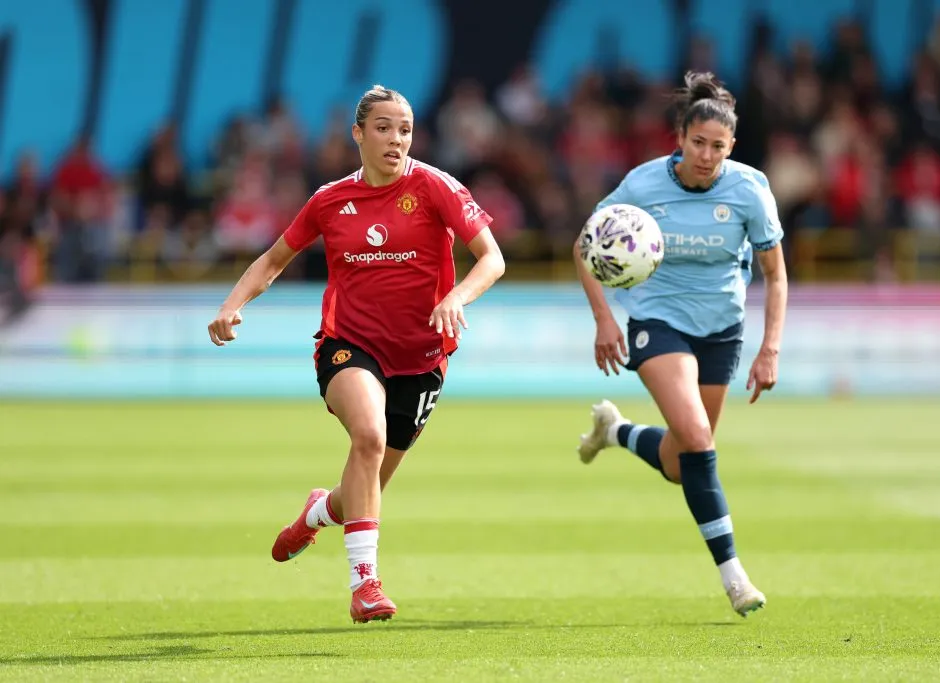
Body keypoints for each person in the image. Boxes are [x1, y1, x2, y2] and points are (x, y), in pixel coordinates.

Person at [208, 85, 505, 624]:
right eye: (385, 128)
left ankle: (319, 512)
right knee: (367, 436)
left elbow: (492, 259)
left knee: (362, 490)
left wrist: (456, 296)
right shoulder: (329, 200)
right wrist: (232, 305)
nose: (397, 140)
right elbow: (273, 259)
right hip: (349, 344)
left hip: (422, 358)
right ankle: (364, 585)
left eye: (406, 129)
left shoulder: (435, 186)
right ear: (358, 134)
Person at [572, 71, 788, 618]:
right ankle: (733, 575)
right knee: (695, 436)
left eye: (718, 146)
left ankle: (614, 431)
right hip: (656, 320)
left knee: (679, 461)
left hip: (722, 328)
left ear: (731, 147)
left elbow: (776, 274)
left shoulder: (749, 190)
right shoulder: (643, 185)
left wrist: (770, 349)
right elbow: (583, 243)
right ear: (680, 138)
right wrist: (604, 318)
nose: (708, 155)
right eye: (699, 143)